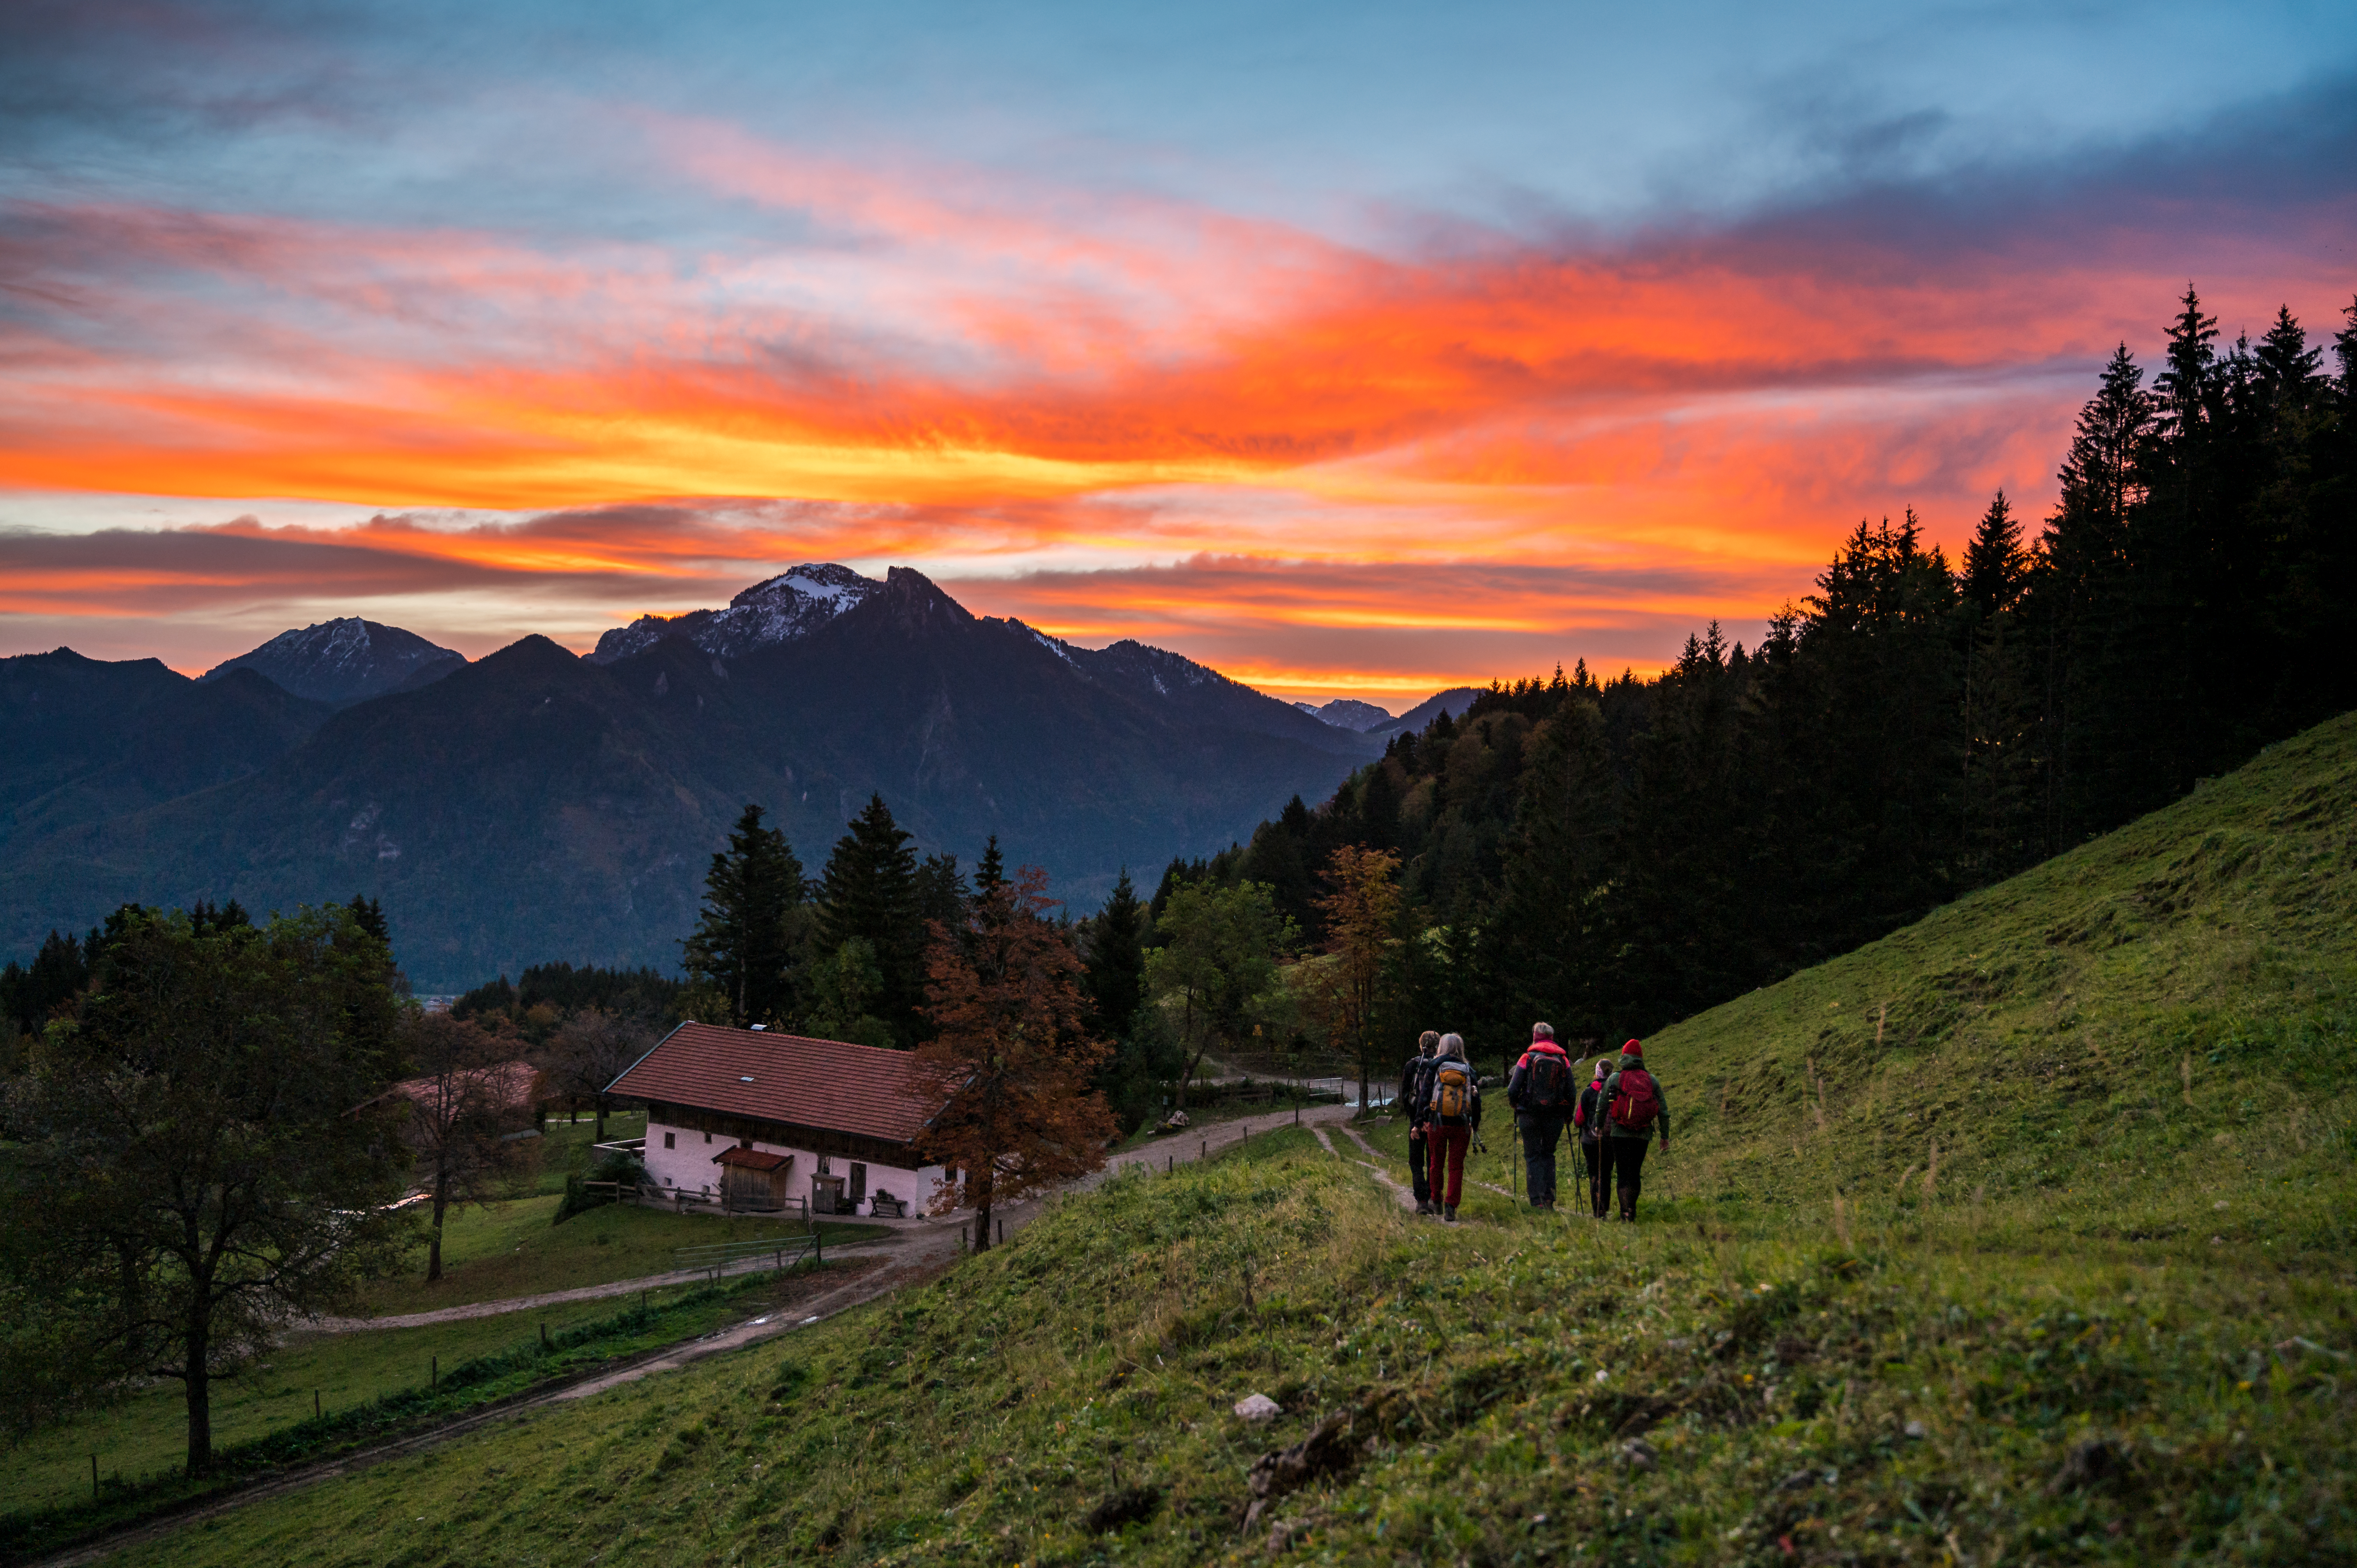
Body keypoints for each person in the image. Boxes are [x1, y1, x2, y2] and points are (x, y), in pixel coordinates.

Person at [1505, 1022, 1576, 1208]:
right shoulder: (1564, 1060)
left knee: (1532, 1156)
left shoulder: (1527, 1057)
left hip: (1529, 1114)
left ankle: (1536, 1201)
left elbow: (1513, 1089)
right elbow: (1572, 1092)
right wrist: (1568, 1115)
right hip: (1555, 1116)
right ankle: (1549, 1199)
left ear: (1535, 1036)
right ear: (1552, 1037)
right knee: (1548, 1155)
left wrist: (1516, 1104)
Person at [1597, 1039, 1671, 1221]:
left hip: (1619, 1133)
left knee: (1622, 1172)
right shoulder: (1652, 1080)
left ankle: (1625, 1213)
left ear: (1624, 1057)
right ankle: (1633, 1208)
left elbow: (1602, 1105)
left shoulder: (1615, 1078)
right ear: (1641, 1058)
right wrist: (1664, 1136)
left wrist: (1599, 1126)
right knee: (1635, 1172)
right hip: (1643, 1134)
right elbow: (1663, 1111)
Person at [1420, 1032, 1481, 1222]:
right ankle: (1451, 1207)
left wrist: (1423, 1119)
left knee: (1436, 1163)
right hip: (1461, 1125)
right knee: (1456, 1167)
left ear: (1442, 1048)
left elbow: (1425, 1095)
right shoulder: (1468, 1070)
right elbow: (1476, 1101)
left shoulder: (1435, 1066)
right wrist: (1475, 1124)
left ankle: (1436, 1201)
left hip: (1437, 1123)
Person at [1396, 1030, 1441, 1215]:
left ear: (1421, 1044)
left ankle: (1421, 1200)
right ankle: (1433, 1198)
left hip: (1416, 1120)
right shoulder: (1442, 1065)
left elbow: (1405, 1095)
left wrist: (1415, 1119)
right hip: (1436, 1120)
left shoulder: (1411, 1065)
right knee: (1433, 1159)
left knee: (1416, 1160)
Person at [1573, 1056, 1611, 1217]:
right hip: (1610, 1139)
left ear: (1597, 1072)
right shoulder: (1614, 1090)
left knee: (1594, 1173)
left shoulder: (1588, 1092)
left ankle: (1597, 1209)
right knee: (1607, 1172)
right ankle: (1605, 1207)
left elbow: (1579, 1120)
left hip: (1590, 1140)